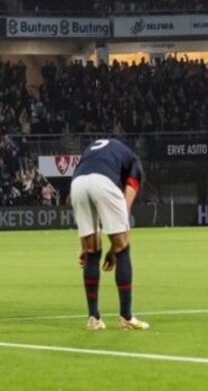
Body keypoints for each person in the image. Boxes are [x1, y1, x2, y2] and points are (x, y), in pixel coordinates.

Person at [70, 138, 149, 331]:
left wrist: (84, 247)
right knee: (123, 248)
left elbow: (85, 179)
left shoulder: (100, 149)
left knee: (91, 253)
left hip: (77, 184)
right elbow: (125, 210)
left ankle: (93, 318)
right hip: (102, 182)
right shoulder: (135, 164)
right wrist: (114, 251)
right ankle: (126, 317)